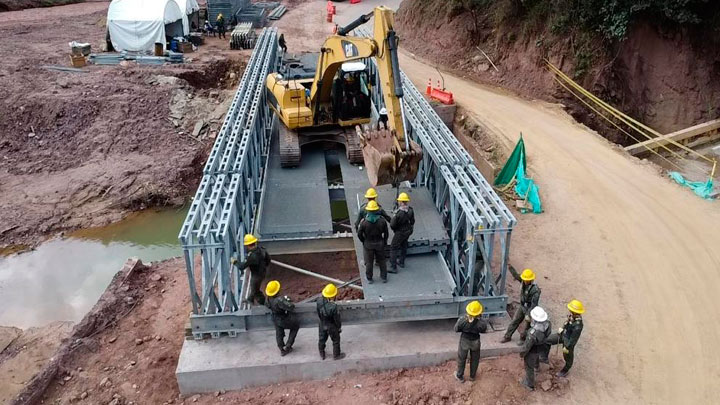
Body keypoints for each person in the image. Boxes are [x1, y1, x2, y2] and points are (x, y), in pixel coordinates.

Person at [542, 299, 584, 377]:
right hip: (563, 334)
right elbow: (567, 323)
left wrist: (567, 347)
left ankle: (565, 370)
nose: (569, 311)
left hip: (568, 341)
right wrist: (563, 327)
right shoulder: (572, 316)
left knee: (568, 357)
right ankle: (544, 358)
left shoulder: (578, 325)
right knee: (548, 340)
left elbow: (573, 339)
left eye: (571, 310)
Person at [501, 267, 541, 344]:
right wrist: (510, 267)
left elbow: (534, 304)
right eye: (524, 279)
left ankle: (523, 339)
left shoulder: (535, 290)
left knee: (527, 325)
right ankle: (507, 336)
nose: (525, 281)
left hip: (530, 308)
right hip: (522, 306)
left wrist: (528, 314)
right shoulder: (523, 280)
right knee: (515, 320)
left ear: (530, 280)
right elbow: (516, 275)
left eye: (527, 280)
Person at [230, 234, 270, 305]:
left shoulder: (252, 256)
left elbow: (242, 266)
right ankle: (250, 299)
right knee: (254, 289)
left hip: (256, 276)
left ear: (248, 245)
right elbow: (268, 260)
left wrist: (235, 262)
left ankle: (263, 304)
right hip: (262, 272)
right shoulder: (262, 250)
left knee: (255, 291)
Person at [454, 301, 488, 383]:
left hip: (464, 341)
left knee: (462, 359)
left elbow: (456, 329)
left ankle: (460, 376)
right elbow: (484, 330)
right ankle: (472, 376)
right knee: (475, 359)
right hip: (475, 341)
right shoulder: (482, 323)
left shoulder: (462, 320)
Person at [519, 306, 551, 391]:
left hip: (532, 351)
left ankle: (529, 384)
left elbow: (526, 347)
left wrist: (522, 354)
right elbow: (548, 334)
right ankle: (537, 367)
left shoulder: (532, 333)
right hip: (541, 347)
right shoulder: (548, 324)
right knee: (537, 357)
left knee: (529, 366)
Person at [265, 280, 300, 356]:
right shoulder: (279, 300)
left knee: (279, 333)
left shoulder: (268, 299)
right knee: (295, 327)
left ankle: (281, 348)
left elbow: (267, 305)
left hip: (275, 318)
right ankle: (288, 345)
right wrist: (288, 300)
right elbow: (291, 307)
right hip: (283, 318)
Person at [357, 200, 389, 284]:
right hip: (379, 243)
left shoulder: (364, 222)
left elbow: (359, 233)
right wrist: (384, 241)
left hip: (368, 244)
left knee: (369, 262)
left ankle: (370, 278)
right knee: (382, 261)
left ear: (368, 210)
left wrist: (363, 241)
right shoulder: (382, 221)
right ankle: (384, 277)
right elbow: (386, 233)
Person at [317, 283, 345, 360]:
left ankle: (321, 353)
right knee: (336, 340)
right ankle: (336, 355)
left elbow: (318, 312)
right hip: (331, 325)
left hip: (322, 323)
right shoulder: (333, 306)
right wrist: (338, 327)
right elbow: (337, 319)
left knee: (322, 339)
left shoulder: (319, 301)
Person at [389, 192, 414, 272]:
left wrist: (394, 217)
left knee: (393, 247)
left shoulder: (398, 213)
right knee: (404, 245)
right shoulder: (410, 210)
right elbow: (412, 221)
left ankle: (393, 267)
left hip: (400, 232)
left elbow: (392, 224)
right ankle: (401, 262)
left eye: (399, 201)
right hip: (408, 231)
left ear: (401, 202)